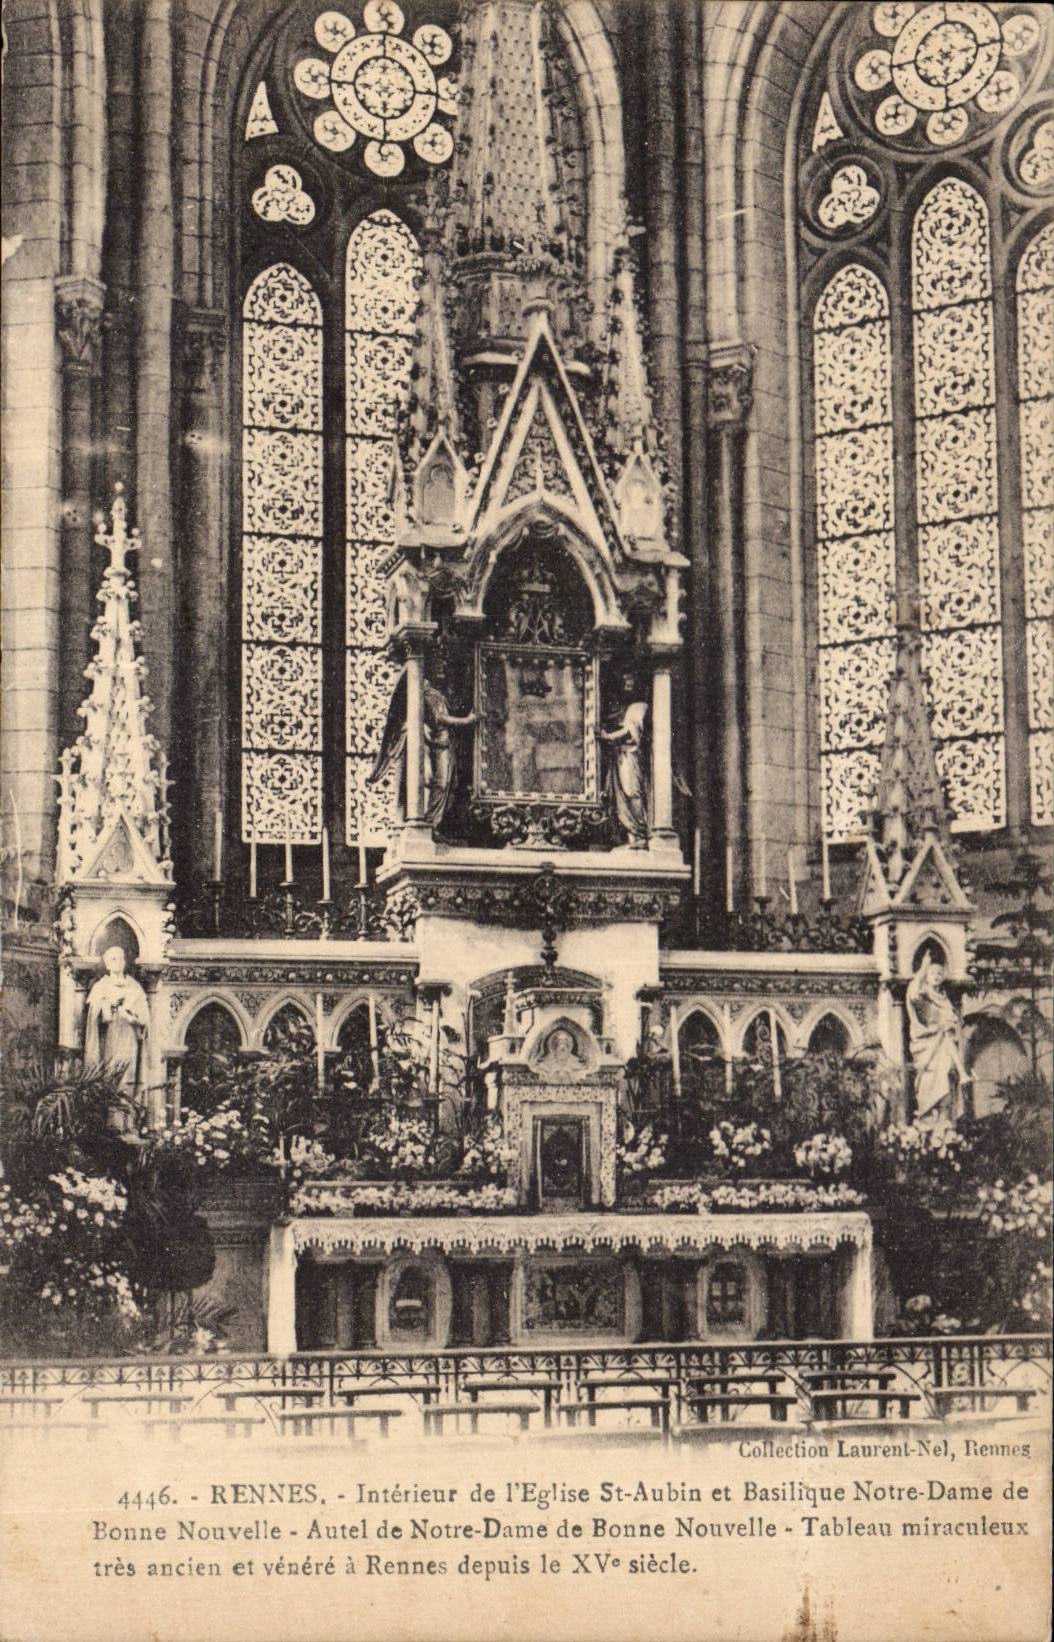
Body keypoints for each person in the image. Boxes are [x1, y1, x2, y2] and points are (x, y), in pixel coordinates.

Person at [905, 953, 968, 1122]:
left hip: (944, 1047)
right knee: (927, 1088)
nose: (936, 977)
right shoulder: (922, 993)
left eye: (940, 974)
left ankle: (944, 1128)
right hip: (926, 1047)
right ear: (926, 975)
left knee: (945, 1086)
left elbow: (953, 1020)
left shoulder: (944, 998)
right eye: (932, 973)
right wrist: (923, 967)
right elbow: (914, 995)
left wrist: (953, 1024)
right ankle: (928, 1126)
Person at [83, 946, 150, 1100]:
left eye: (121, 958)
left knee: (129, 1075)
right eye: (113, 959)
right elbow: (93, 1017)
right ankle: (114, 1121)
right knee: (112, 1076)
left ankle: (129, 1121)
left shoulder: (134, 986)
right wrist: (108, 1005)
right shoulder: (101, 986)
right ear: (107, 964)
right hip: (111, 1038)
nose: (118, 962)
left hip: (129, 1037)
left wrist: (135, 1018)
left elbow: (145, 1017)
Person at [598, 692, 649, 846]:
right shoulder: (624, 709)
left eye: (630, 680)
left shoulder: (639, 707)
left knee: (632, 792)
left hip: (630, 757)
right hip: (622, 756)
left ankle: (640, 831)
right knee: (624, 794)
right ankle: (633, 834)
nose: (627, 685)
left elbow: (629, 729)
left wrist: (608, 736)